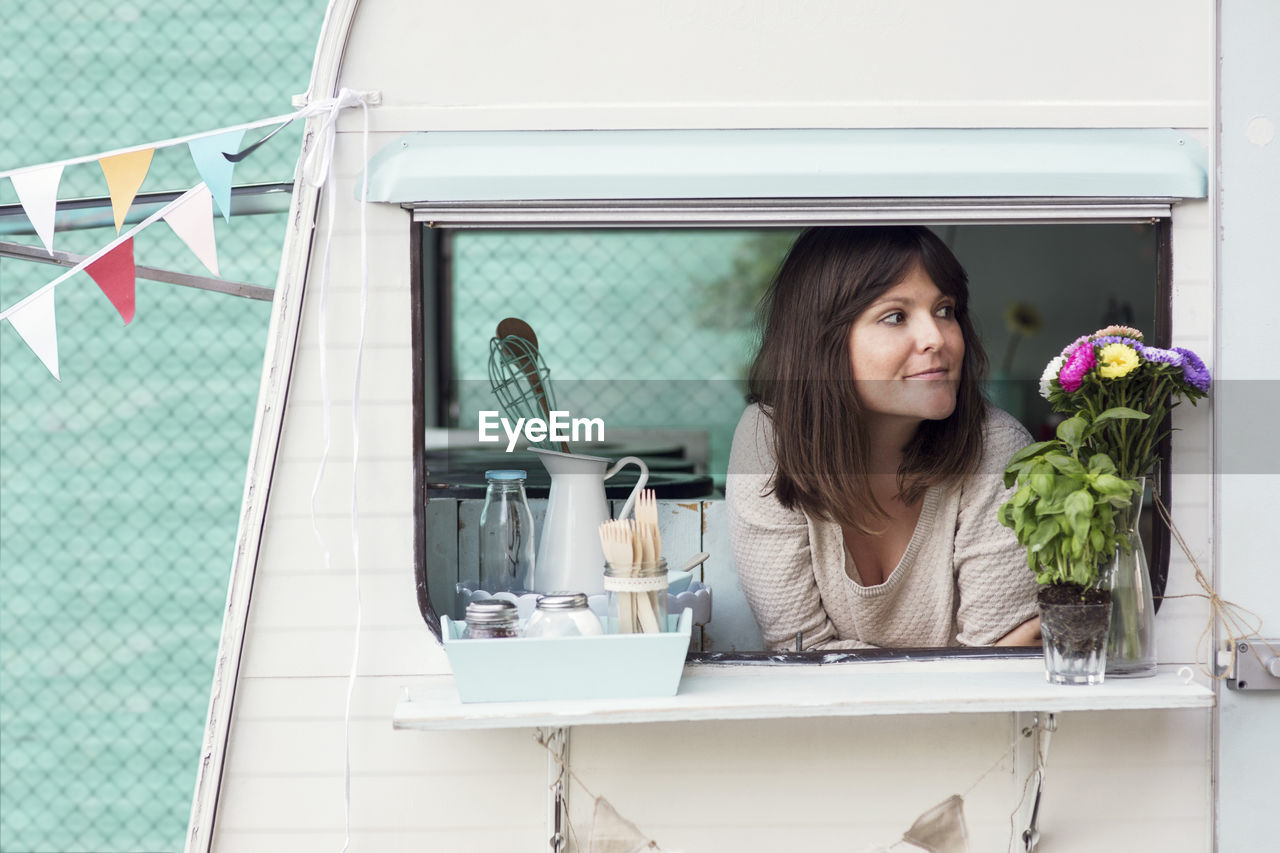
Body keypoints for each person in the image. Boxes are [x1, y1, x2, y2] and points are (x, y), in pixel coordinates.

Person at [726, 225, 1041, 651]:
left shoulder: (997, 448)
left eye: (945, 310)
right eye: (896, 316)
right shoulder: (769, 442)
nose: (937, 338)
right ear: (824, 339)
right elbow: (800, 654)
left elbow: (994, 670)